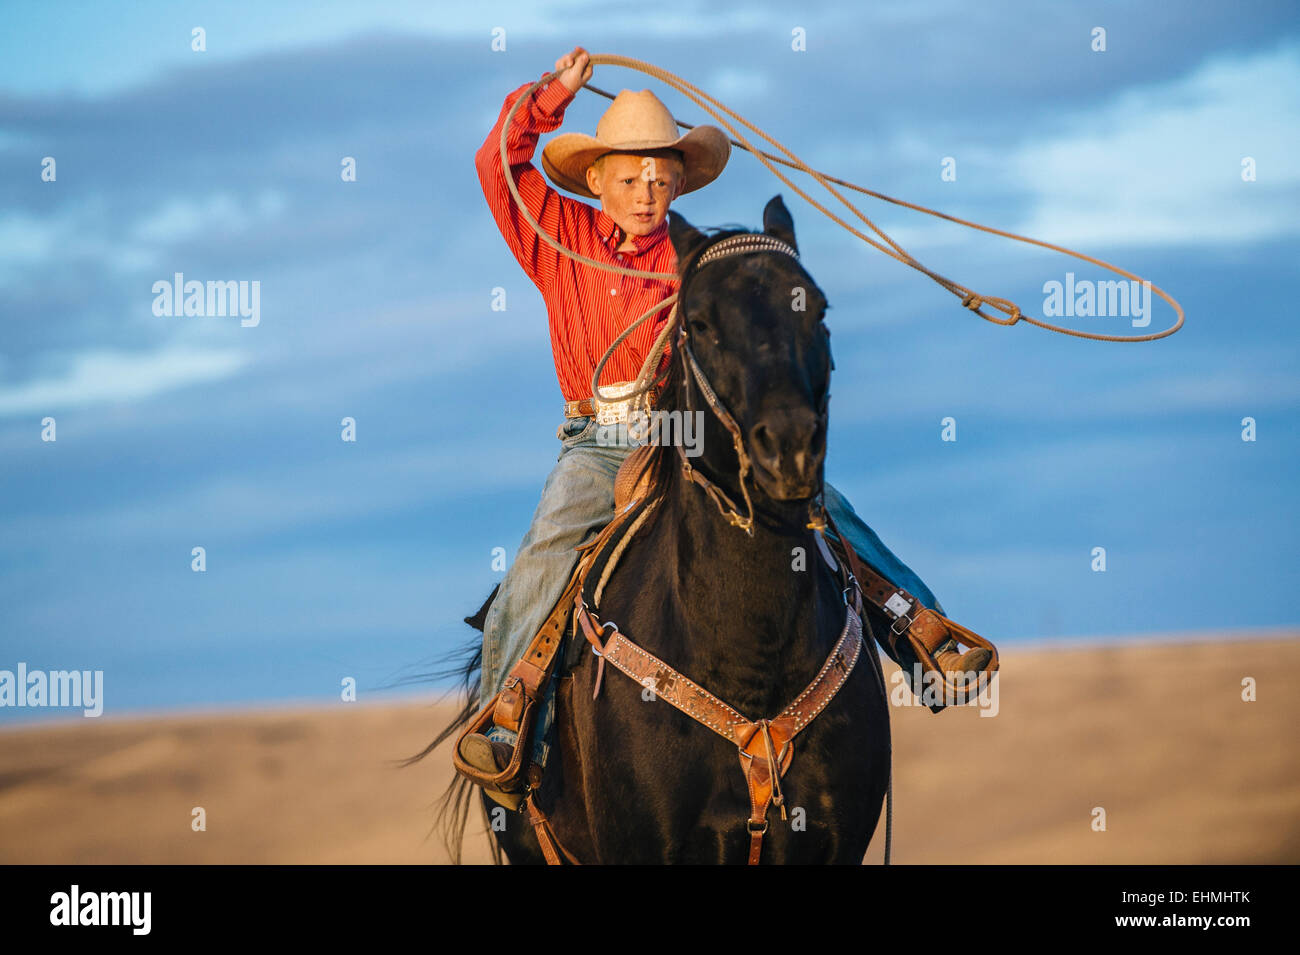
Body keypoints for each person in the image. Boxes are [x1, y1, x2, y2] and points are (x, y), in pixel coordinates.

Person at [461, 48, 987, 805]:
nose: (648, 192)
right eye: (632, 176)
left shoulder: (703, 257)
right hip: (600, 441)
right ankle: (510, 721)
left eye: (663, 176)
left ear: (680, 179)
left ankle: (920, 630)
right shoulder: (558, 236)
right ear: (596, 177)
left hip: (689, 432)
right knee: (543, 555)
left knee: (814, 503)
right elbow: (496, 164)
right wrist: (553, 94)